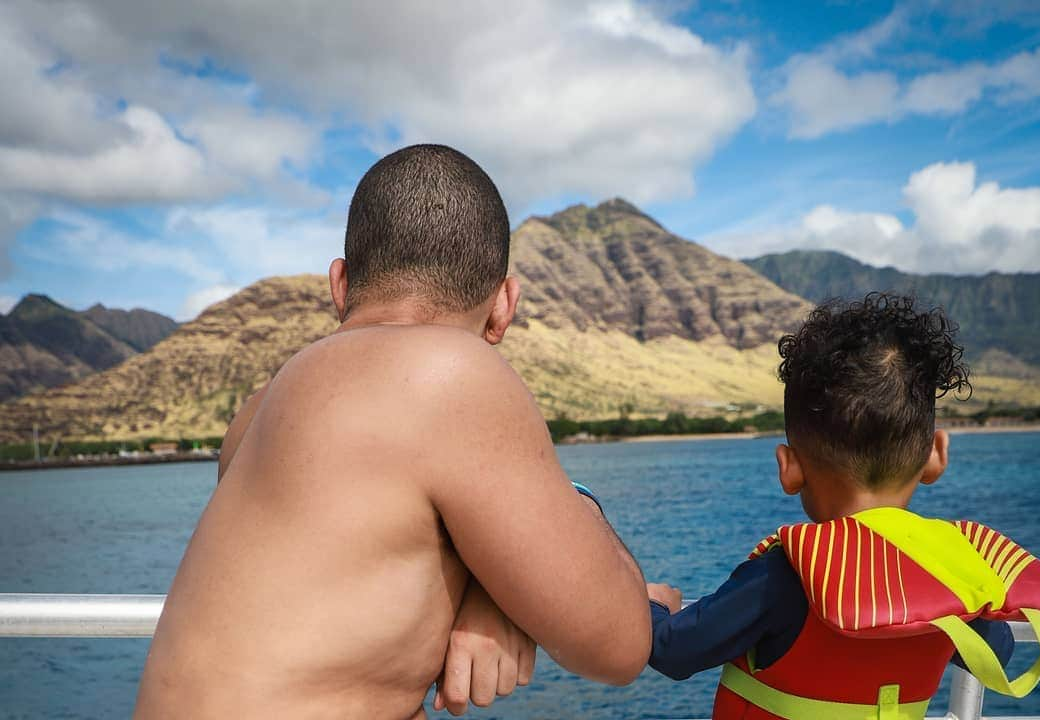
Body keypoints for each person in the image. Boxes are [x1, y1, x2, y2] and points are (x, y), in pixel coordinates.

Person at [134, 144, 652, 720]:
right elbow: (620, 644)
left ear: (340, 283)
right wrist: (580, 509)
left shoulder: (256, 414)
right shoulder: (453, 376)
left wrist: (494, 594)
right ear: (505, 302)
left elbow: (359, 574)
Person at [647, 293, 1040, 720]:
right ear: (936, 455)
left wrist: (656, 605)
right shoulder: (955, 571)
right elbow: (998, 654)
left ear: (789, 468)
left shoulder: (784, 575)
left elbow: (672, 652)